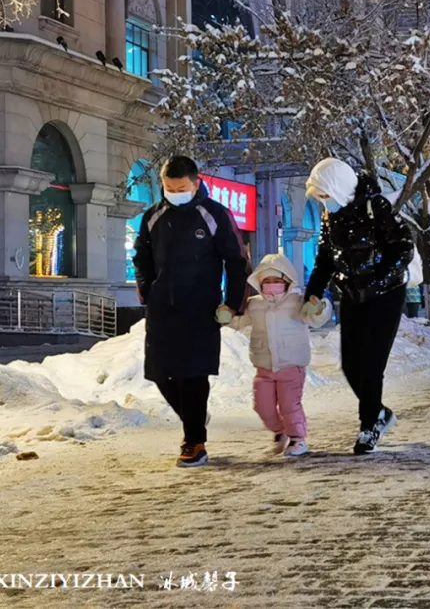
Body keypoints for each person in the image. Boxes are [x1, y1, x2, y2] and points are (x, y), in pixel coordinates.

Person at [133, 156, 249, 468]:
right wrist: (146, 288)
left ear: (196, 183)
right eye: (169, 188)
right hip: (161, 309)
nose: (175, 192)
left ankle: (194, 441)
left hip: (201, 309)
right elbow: (141, 255)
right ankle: (193, 416)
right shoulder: (152, 216)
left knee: (193, 376)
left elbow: (237, 261)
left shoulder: (213, 214)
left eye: (181, 187)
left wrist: (232, 303)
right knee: (159, 373)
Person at [302, 158, 415, 455]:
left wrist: (379, 278)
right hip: (352, 294)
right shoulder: (330, 217)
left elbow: (404, 247)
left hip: (386, 294)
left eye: (325, 196)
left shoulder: (376, 208)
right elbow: (325, 258)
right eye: (320, 199)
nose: (324, 204)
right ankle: (378, 411)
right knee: (351, 364)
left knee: (372, 363)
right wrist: (313, 291)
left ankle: (369, 427)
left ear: (339, 189)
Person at [232, 254, 331, 458]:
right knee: (262, 407)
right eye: (266, 281)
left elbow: (316, 318)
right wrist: (224, 316)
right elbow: (239, 322)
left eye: (276, 281)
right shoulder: (254, 304)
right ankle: (280, 431)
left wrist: (319, 307)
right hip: (264, 366)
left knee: (289, 405)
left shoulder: (297, 302)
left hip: (291, 366)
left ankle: (297, 438)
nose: (272, 285)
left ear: (287, 281)